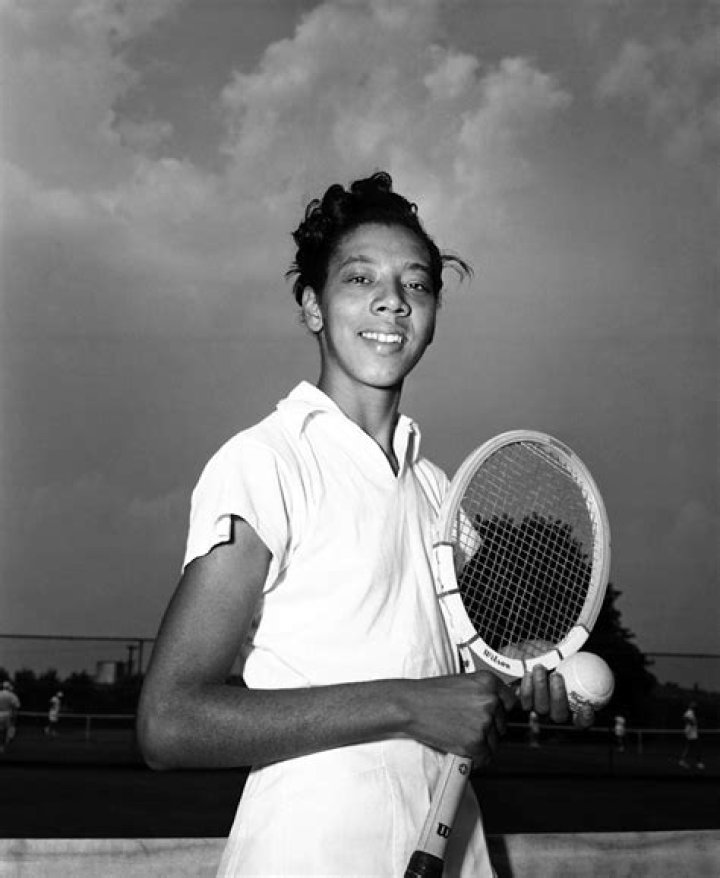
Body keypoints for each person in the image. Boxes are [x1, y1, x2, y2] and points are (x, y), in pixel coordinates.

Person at [137, 171, 585, 877]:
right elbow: (168, 723)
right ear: (313, 307)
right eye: (359, 278)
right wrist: (408, 706)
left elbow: (442, 684)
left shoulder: (439, 493)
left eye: (417, 284)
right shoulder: (265, 463)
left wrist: (512, 677)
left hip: (449, 853)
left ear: (432, 315)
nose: (392, 299)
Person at [679, 702, 704, 770]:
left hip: (692, 732)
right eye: (694, 705)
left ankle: (682, 761)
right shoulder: (689, 712)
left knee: (689, 747)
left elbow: (686, 718)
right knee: (697, 747)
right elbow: (684, 718)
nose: (696, 706)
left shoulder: (692, 712)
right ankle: (699, 763)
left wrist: (693, 723)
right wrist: (692, 723)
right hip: (691, 733)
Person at [0, 681, 20, 752]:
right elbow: (17, 706)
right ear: (9, 687)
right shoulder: (12, 695)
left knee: (1, 731)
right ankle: (3, 745)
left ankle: (1, 746)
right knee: (7, 731)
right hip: (8, 714)